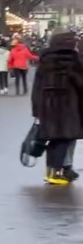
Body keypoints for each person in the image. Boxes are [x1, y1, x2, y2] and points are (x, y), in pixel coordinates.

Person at [31, 29, 83, 185]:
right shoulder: (73, 61)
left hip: (47, 107)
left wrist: (36, 109)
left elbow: (37, 86)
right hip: (68, 106)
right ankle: (57, 172)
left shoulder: (45, 60)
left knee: (53, 139)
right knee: (64, 139)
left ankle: (51, 172)